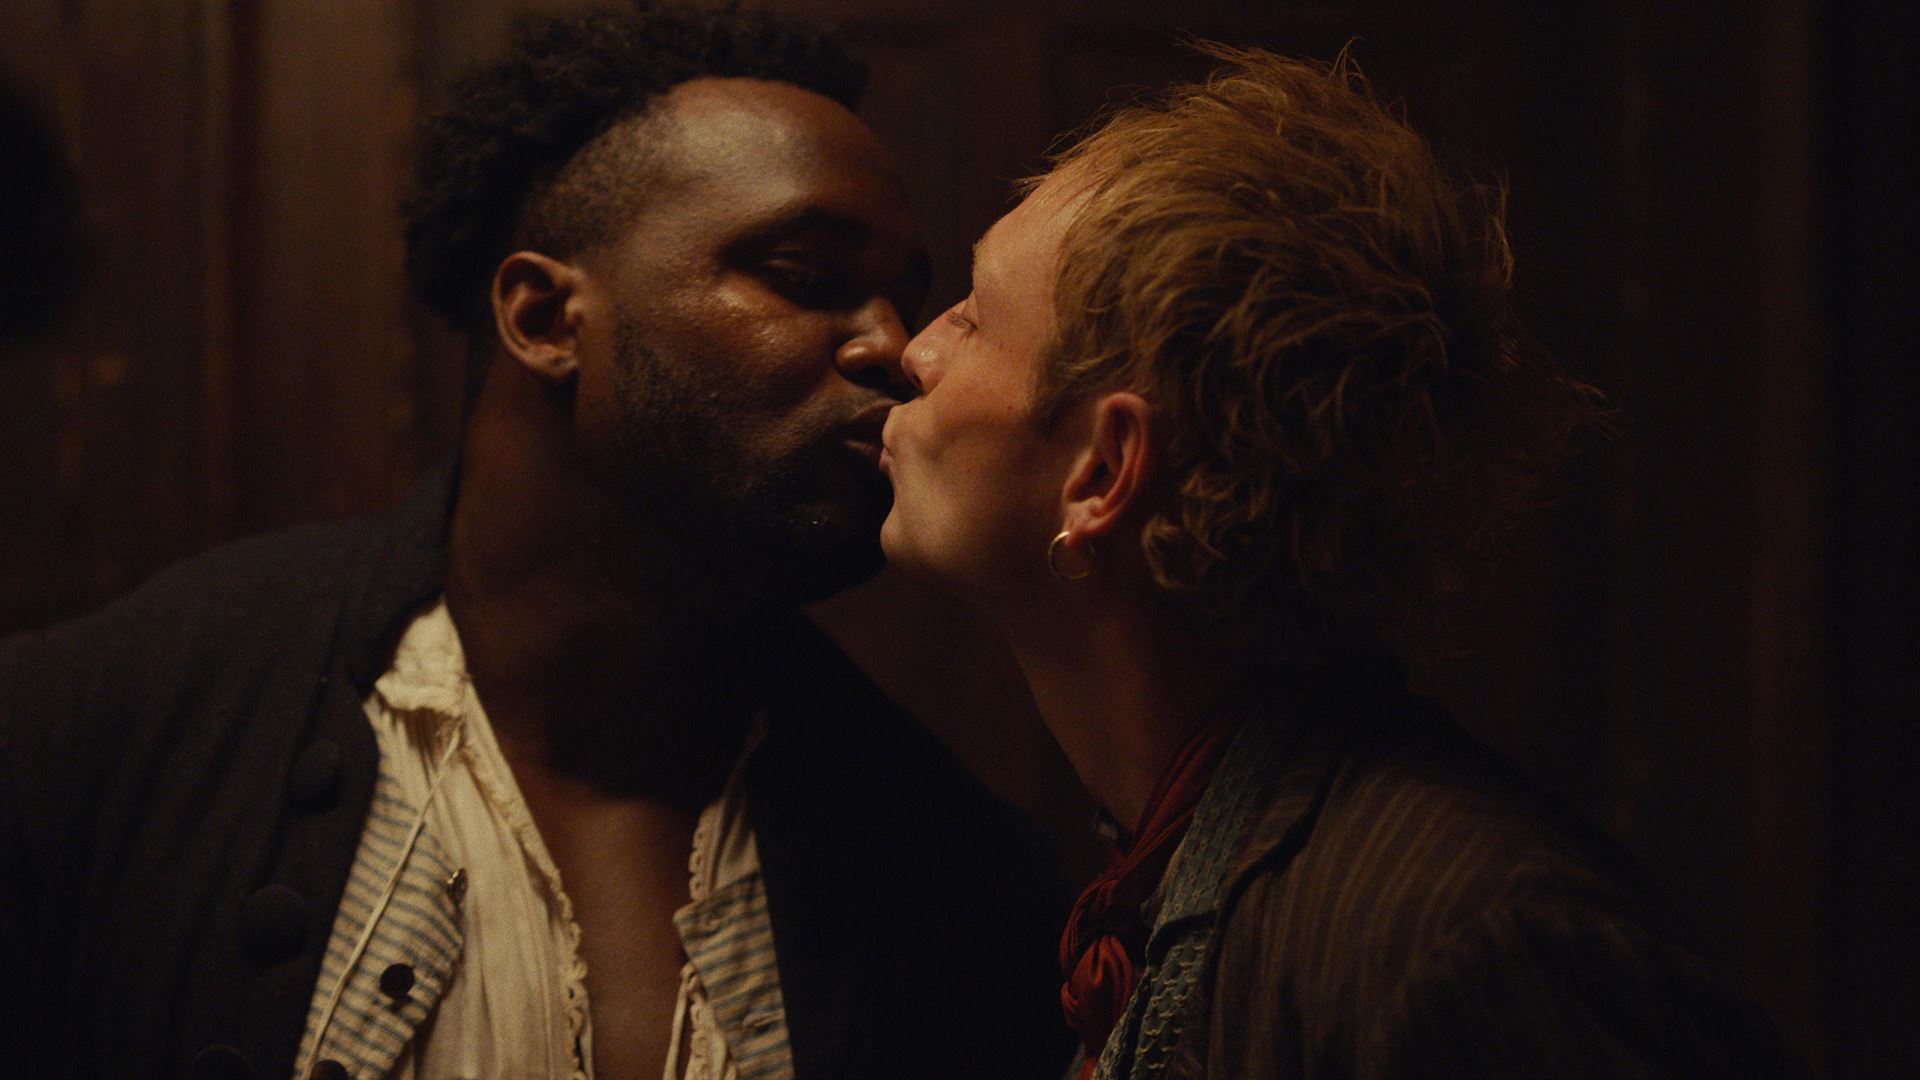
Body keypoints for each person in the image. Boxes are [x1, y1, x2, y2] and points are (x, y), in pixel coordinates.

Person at [0, 7, 1067, 1078]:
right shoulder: (98, 739)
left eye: (903, 298)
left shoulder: (956, 871)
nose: (897, 347)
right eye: (804, 272)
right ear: (545, 318)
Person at [879, 44, 1803, 1078]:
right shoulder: (1190, 867)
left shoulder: (1465, 947)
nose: (913, 351)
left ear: (1103, 473)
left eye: (972, 316)